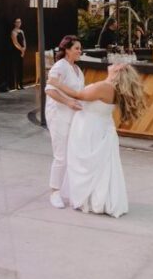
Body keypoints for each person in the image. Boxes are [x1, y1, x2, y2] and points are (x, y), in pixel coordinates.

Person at [47, 63, 146, 218]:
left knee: (88, 165)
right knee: (99, 166)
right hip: (99, 127)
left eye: (118, 64)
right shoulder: (110, 87)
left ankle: (91, 199)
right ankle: (96, 198)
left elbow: (78, 95)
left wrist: (57, 83)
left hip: (90, 129)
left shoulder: (105, 87)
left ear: (118, 71)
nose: (114, 63)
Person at [44, 35, 85, 209]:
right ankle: (54, 191)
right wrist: (68, 102)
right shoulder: (60, 66)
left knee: (71, 153)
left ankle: (67, 190)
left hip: (72, 115)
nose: (80, 51)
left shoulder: (77, 69)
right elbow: (49, 90)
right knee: (60, 155)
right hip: (58, 114)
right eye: (77, 48)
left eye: (80, 48)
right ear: (67, 50)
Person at [10, 18, 26, 90]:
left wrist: (24, 48)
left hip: (22, 50)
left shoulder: (21, 31)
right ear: (15, 23)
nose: (19, 23)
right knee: (16, 68)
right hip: (16, 51)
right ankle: (16, 85)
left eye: (20, 22)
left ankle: (21, 84)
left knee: (21, 68)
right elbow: (15, 42)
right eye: (17, 22)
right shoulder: (13, 32)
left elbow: (24, 40)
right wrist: (21, 50)